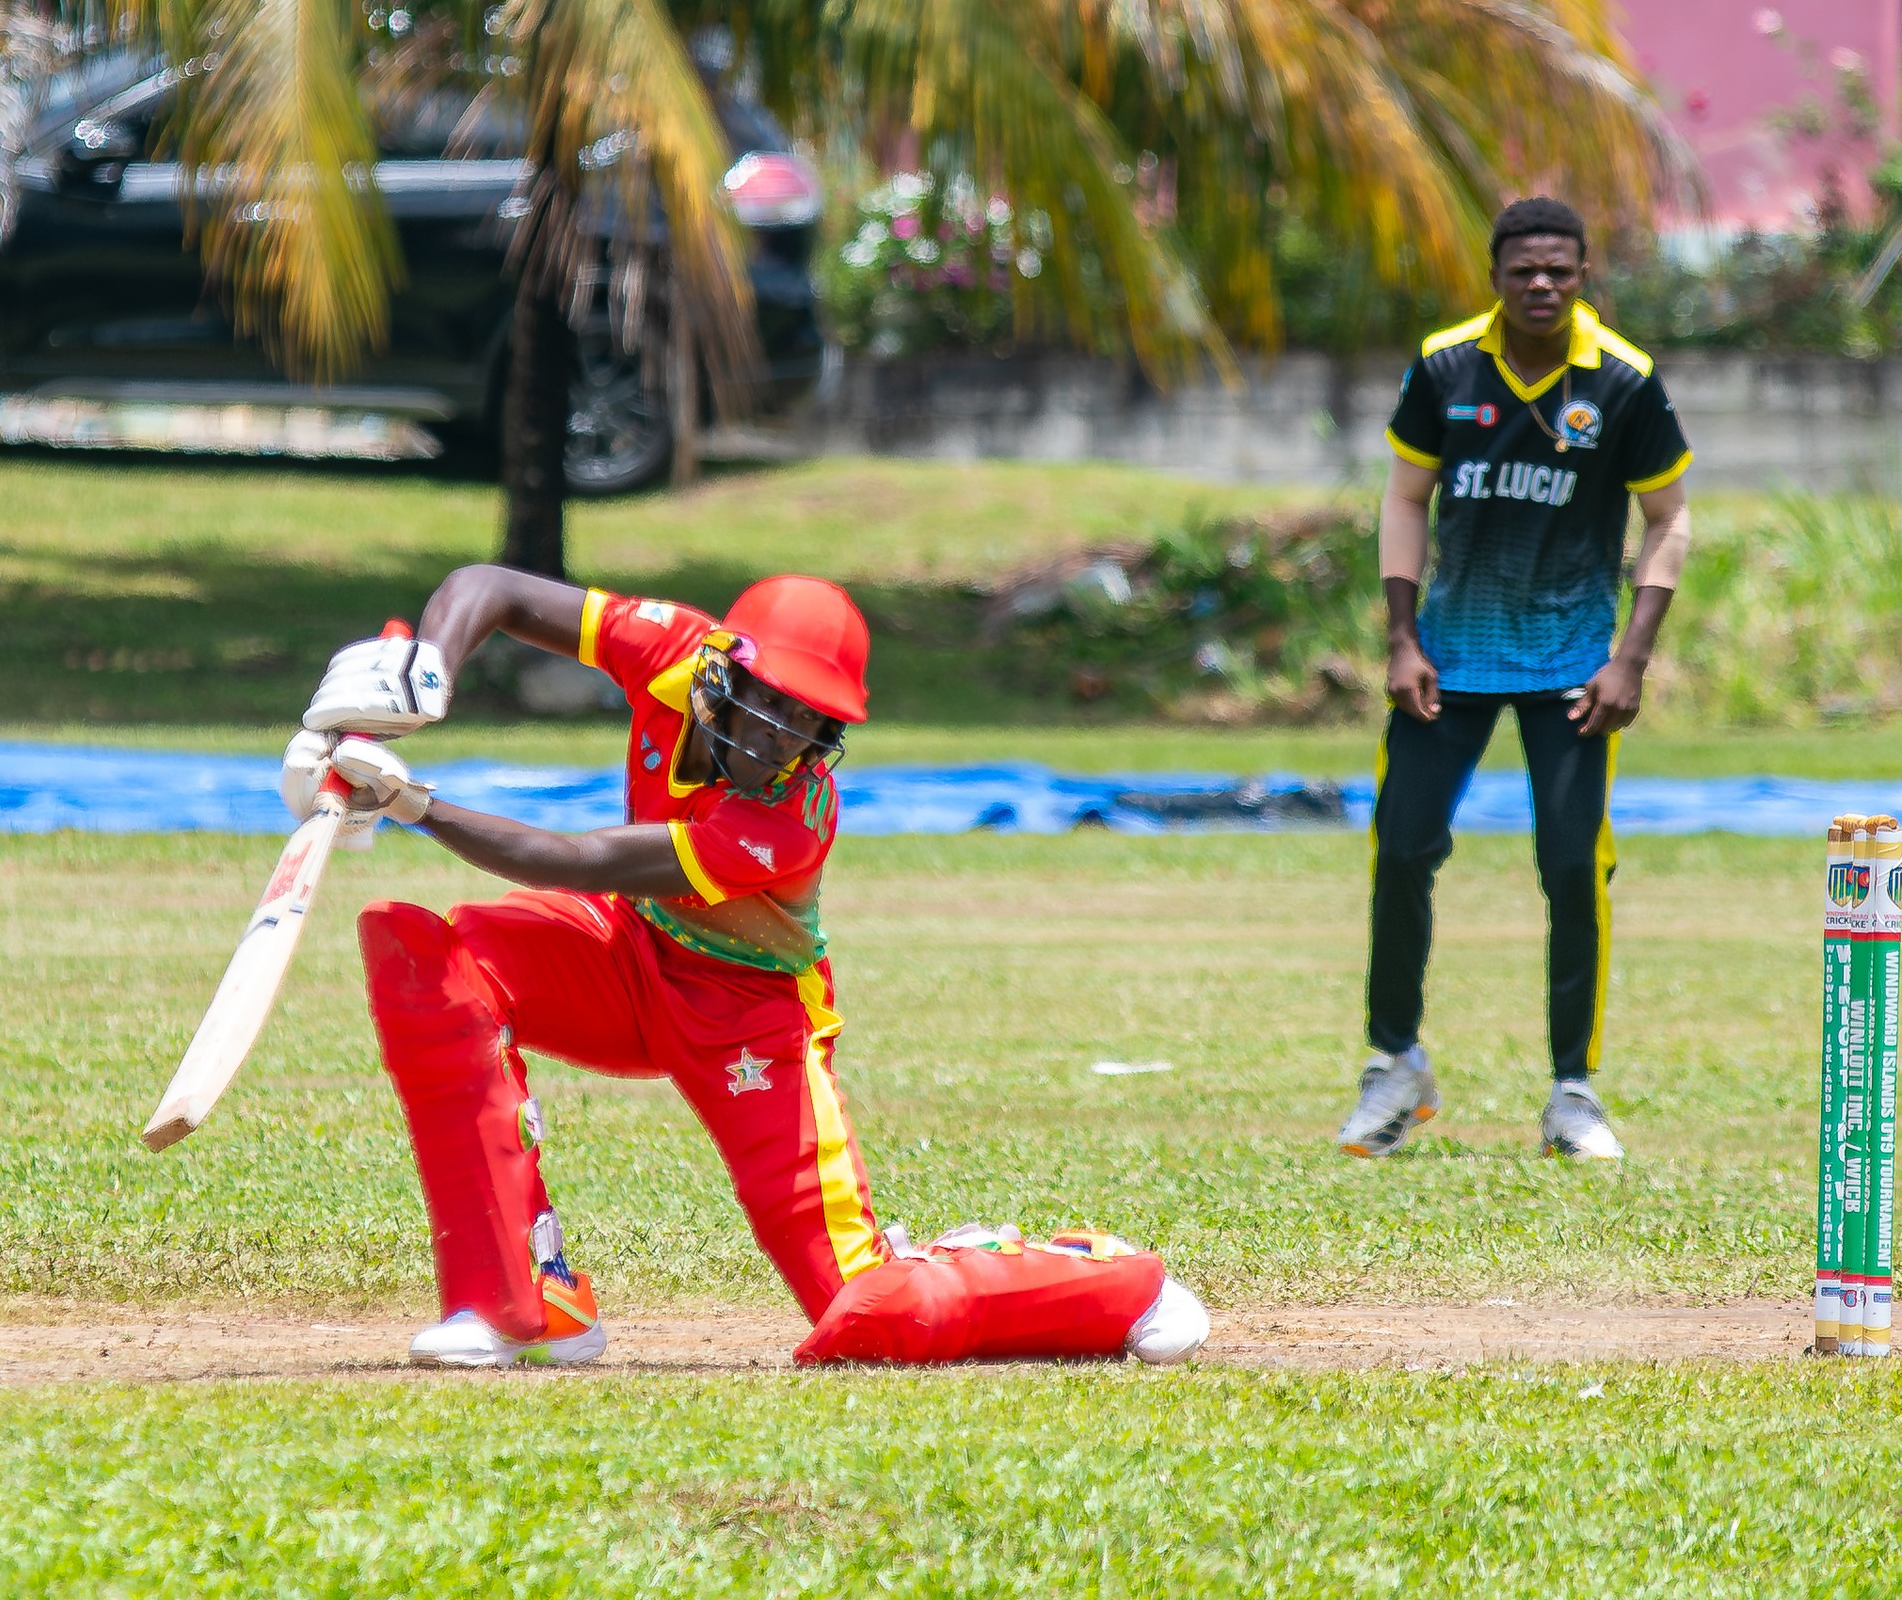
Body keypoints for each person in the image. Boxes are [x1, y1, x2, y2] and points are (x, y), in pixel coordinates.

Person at [285, 572, 1210, 1368]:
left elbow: (578, 860)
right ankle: (525, 1305)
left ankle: (1109, 1279)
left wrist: (411, 801)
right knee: (429, 958)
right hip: (627, 954)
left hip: (754, 1023)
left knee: (869, 1312)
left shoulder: (789, 817)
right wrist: (425, 675)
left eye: (812, 722)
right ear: (723, 671)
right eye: (770, 704)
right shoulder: (673, 647)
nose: (783, 740)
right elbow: (492, 585)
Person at [1338, 197, 1693, 1162]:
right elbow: (1406, 498)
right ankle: (1396, 1069)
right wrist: (1401, 637)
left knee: (1574, 867)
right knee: (1402, 849)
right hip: (1448, 657)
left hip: (1575, 661)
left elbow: (1669, 518)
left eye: (1562, 271)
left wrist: (1631, 656)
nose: (1543, 285)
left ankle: (1573, 1094)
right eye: (1525, 269)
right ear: (1496, 274)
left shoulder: (1624, 383)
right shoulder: (1446, 363)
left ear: (1583, 277)